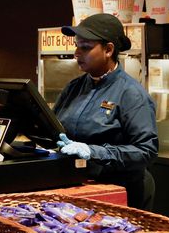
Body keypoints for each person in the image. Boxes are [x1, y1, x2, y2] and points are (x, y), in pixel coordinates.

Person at [54, 13, 158, 210]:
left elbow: (146, 151)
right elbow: (55, 128)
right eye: (77, 46)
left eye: (85, 47)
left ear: (108, 50)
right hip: (79, 190)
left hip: (120, 193)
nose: (77, 53)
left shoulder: (131, 93)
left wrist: (93, 151)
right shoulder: (73, 87)